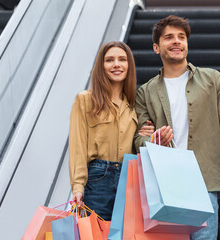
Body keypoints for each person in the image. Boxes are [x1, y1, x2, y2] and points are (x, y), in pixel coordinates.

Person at [133, 15, 220, 240]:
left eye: (181, 37)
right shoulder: (144, 93)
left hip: (203, 181)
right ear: (156, 47)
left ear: (187, 43)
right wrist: (154, 140)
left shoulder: (213, 80)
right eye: (169, 37)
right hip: (165, 182)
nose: (176, 41)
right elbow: (139, 139)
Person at [69, 41, 154, 220]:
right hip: (98, 178)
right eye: (109, 60)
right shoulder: (85, 100)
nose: (116, 64)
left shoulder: (135, 105)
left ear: (129, 65)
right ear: (101, 66)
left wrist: (147, 135)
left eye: (122, 59)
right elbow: (78, 146)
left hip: (130, 179)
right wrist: (78, 186)